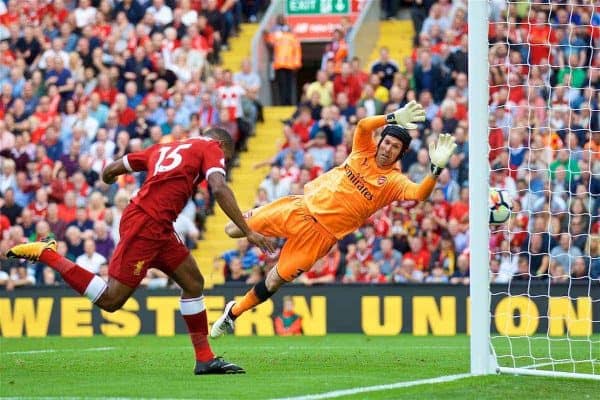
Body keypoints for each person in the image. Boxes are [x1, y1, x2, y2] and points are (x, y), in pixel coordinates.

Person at [5, 128, 274, 375]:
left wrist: (108, 176)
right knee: (111, 300)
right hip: (145, 225)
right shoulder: (212, 147)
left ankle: (204, 359)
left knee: (193, 283)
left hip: (159, 227)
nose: (224, 161)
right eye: (226, 157)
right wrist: (248, 230)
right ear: (223, 145)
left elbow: (112, 168)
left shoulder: (162, 148)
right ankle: (47, 253)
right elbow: (218, 187)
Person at [211, 101, 456, 338]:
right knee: (232, 230)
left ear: (401, 154)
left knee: (274, 280)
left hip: (320, 237)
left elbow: (420, 194)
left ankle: (232, 314)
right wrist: (392, 117)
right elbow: (362, 126)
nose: (387, 148)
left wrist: (435, 169)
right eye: (387, 142)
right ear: (381, 141)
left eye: (394, 147)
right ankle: (263, 215)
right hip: (300, 208)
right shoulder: (363, 151)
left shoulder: (393, 181)